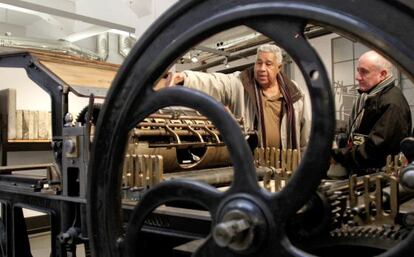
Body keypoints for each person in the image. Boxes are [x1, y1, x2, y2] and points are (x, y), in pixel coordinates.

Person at [166, 44, 310, 152]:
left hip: (289, 165)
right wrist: (185, 78)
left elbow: (306, 132)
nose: (261, 68)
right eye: (258, 63)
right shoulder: (241, 83)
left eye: (268, 64)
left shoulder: (295, 93)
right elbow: (216, 82)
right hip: (252, 165)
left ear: (279, 68)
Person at [331, 50, 412, 173]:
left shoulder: (391, 103)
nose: (357, 77)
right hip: (364, 172)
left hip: (377, 178)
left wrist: (336, 155)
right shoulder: (369, 96)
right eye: (358, 70)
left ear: (382, 74)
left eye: (364, 72)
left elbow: (375, 151)